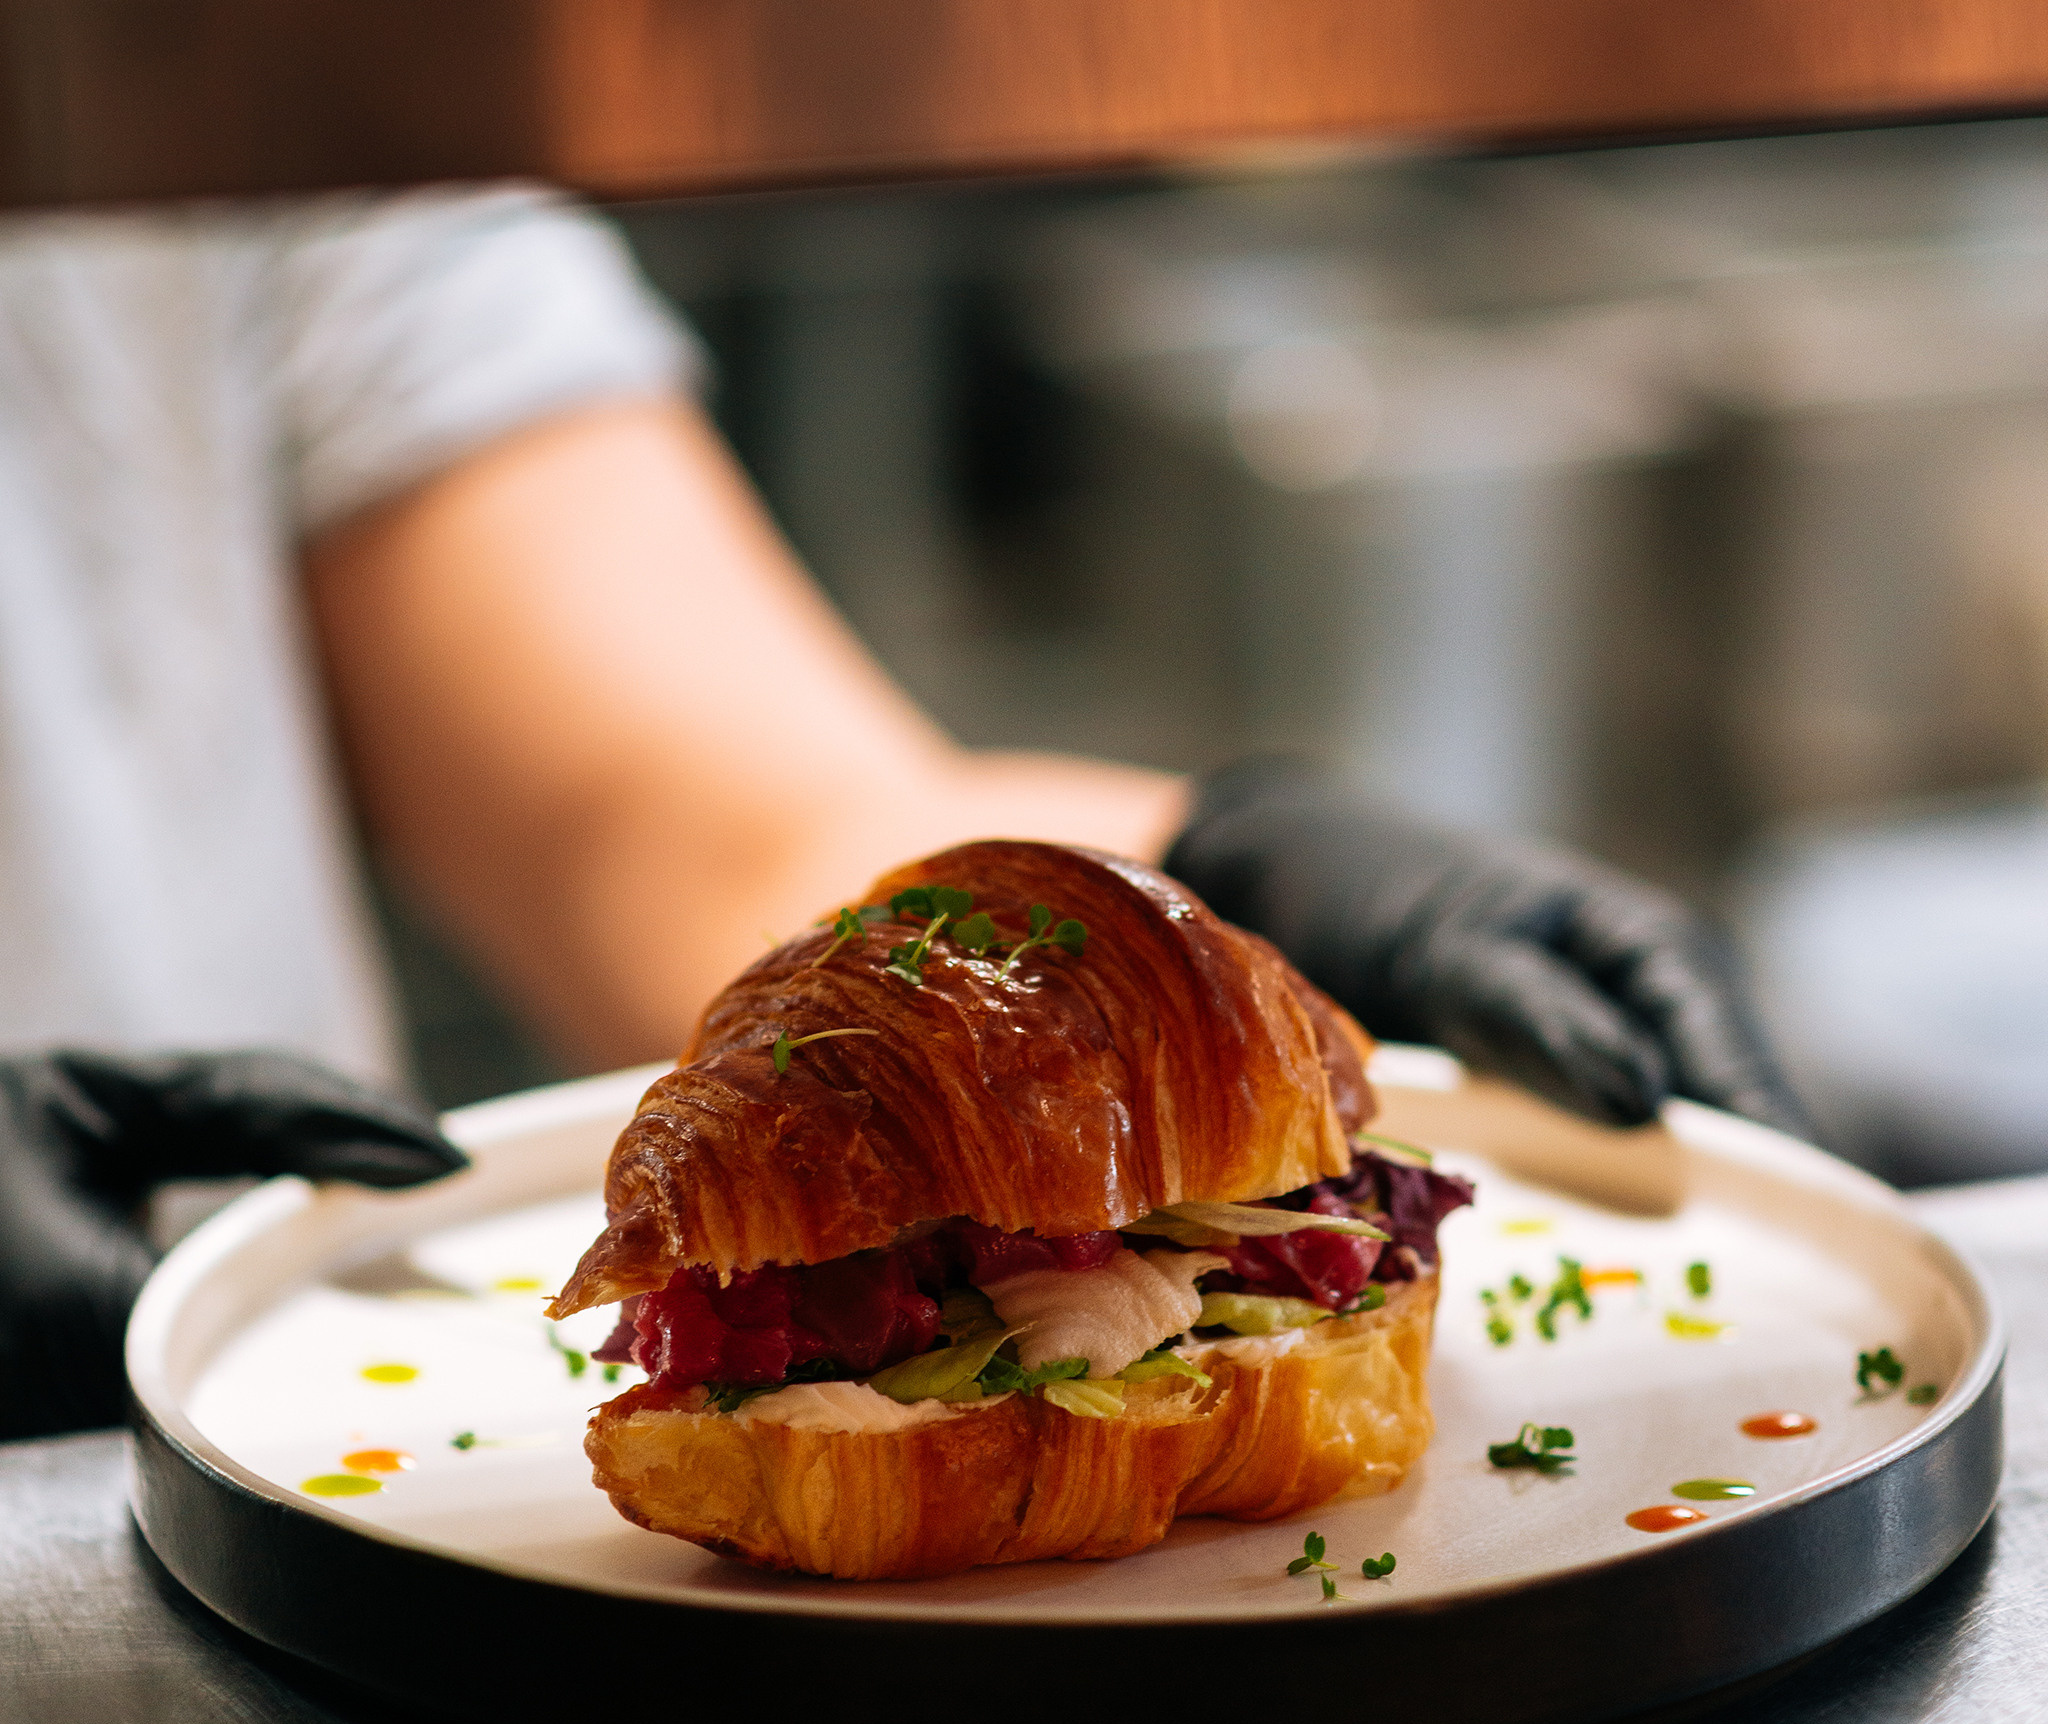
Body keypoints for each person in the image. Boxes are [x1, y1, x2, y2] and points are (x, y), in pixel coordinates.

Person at [0, 185, 1797, 1440]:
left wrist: (1216, 884)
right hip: (270, 1431)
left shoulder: (222, 73)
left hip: (271, 1527)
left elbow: (690, 817)